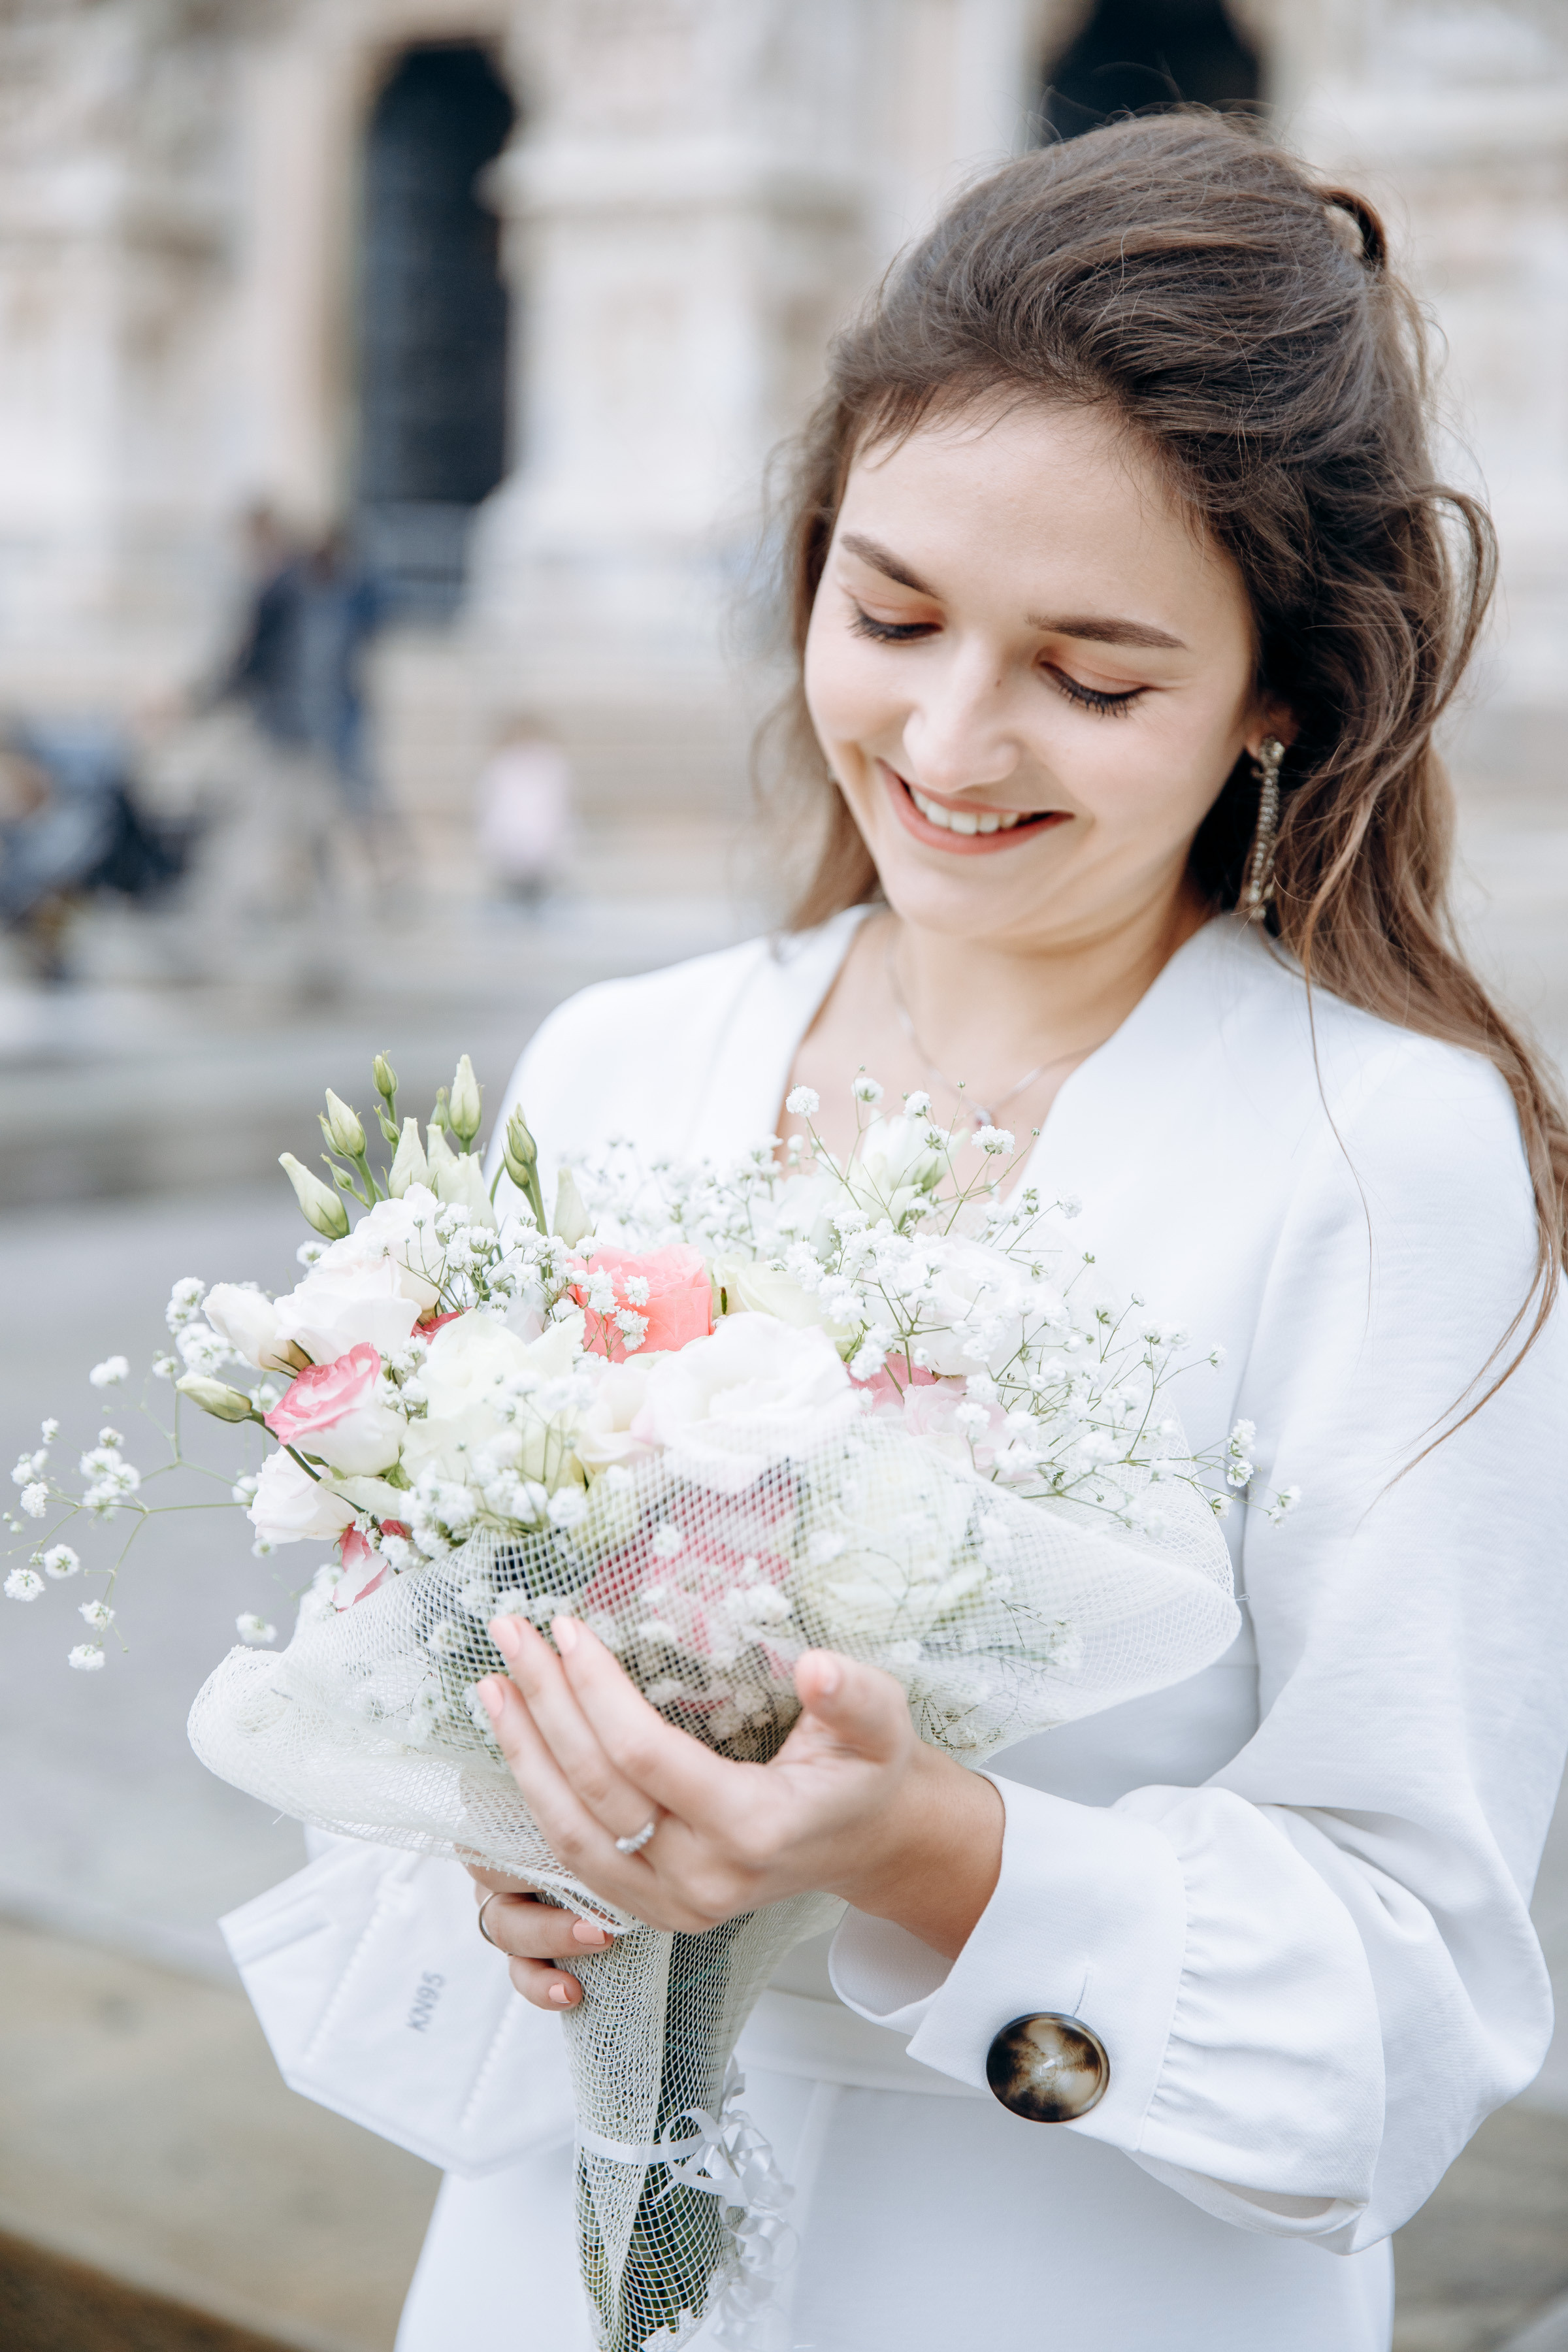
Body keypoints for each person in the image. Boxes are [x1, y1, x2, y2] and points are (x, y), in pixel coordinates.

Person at [254, 118, 1567, 2349]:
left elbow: (1416, 2005)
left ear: (1279, 689)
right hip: (543, 2265)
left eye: (1094, 675)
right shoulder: (615, 1062)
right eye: (889, 617)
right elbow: (379, 1735)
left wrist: (927, 1852)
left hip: (1064, 2270)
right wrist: (495, 1846)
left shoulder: (1388, 1161)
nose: (952, 739)